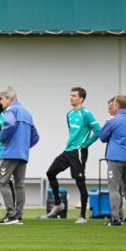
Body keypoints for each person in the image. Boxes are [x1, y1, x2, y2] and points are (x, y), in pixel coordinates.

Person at [42, 87, 101, 223]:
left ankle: (82, 216)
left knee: (80, 182)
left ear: (81, 99)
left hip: (79, 152)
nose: (71, 98)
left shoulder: (86, 114)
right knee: (50, 173)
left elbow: (98, 131)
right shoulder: (69, 114)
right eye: (70, 95)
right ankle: (58, 204)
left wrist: (85, 144)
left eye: (74, 96)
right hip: (68, 151)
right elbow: (72, 133)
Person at [0, 87, 39, 225]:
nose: (0, 103)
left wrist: (3, 139)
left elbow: (8, 124)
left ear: (9, 99)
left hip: (10, 153)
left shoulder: (10, 110)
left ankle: (11, 214)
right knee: (19, 185)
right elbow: (35, 136)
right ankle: (19, 216)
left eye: (2, 99)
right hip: (23, 154)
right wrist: (24, 147)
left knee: (1, 181)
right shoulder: (27, 113)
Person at [99, 95, 126, 226]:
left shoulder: (113, 120)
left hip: (116, 158)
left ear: (117, 105)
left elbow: (103, 137)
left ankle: (115, 218)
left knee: (114, 189)